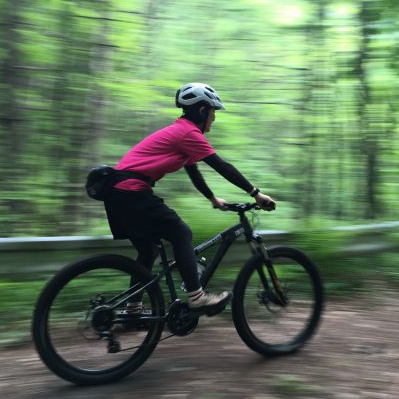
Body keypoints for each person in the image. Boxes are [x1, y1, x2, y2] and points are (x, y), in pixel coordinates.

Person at [104, 82, 276, 316]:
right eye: (213, 112)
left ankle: (133, 308)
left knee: (148, 250)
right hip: (130, 190)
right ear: (203, 111)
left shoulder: (181, 132)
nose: (214, 118)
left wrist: (212, 198)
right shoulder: (188, 133)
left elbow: (193, 171)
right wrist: (256, 194)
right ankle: (197, 297)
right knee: (181, 233)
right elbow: (221, 166)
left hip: (118, 192)